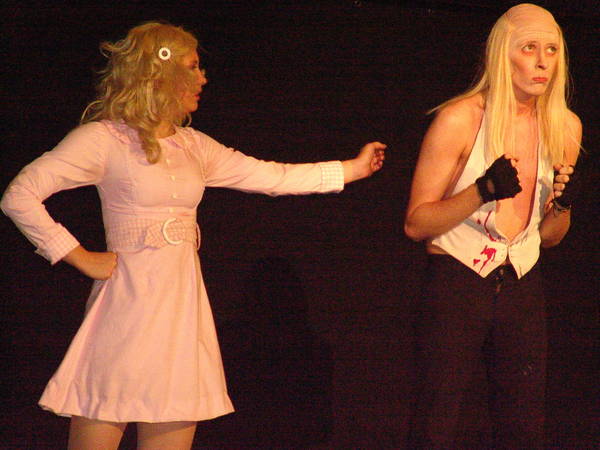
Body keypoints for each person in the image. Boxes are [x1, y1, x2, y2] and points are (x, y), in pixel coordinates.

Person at [1, 22, 385, 449]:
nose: (203, 78)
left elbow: (272, 176)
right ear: (159, 73)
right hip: (125, 309)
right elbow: (20, 195)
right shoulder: (104, 140)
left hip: (181, 313)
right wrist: (78, 255)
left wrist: (351, 170)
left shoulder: (194, 147)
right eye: (193, 66)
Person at [404, 4, 581, 449]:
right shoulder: (462, 118)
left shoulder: (565, 126)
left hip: (521, 284)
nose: (542, 62)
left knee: (523, 427)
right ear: (504, 54)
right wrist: (481, 190)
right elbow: (416, 224)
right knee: (435, 424)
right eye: (529, 48)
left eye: (551, 50)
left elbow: (548, 237)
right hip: (458, 281)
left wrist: (563, 205)